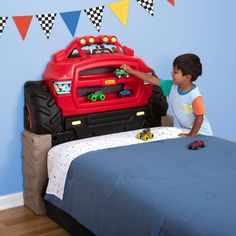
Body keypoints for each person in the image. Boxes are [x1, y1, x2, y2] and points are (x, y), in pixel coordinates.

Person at [121, 53, 213, 137]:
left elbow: (199, 118)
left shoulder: (195, 96)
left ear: (187, 77)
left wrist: (191, 135)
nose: (172, 73)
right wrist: (132, 71)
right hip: (187, 130)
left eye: (175, 72)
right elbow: (152, 79)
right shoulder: (171, 86)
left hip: (202, 133)